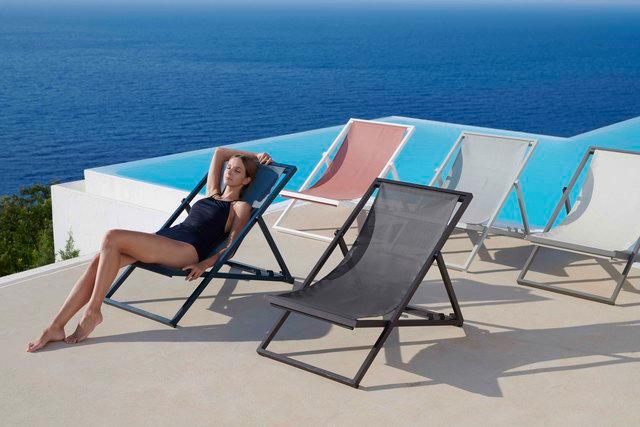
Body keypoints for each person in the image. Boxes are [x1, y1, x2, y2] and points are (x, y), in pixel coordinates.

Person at [27, 147, 273, 352]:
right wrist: (254, 154)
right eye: (229, 168)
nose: (229, 172)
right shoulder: (212, 193)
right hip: (168, 238)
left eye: (237, 171)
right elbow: (219, 153)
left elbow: (231, 246)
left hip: (187, 249)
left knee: (112, 236)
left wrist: (204, 264)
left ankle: (93, 310)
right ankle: (56, 326)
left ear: (247, 180)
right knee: (99, 259)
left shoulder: (239, 207)